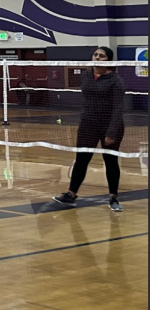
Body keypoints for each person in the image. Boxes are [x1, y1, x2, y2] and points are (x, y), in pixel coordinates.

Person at [54, 46, 126, 212]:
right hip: (88, 124)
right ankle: (71, 195)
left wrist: (111, 132)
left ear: (109, 60)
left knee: (111, 162)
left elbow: (118, 108)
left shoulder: (116, 80)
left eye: (102, 56)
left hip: (109, 125)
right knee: (81, 160)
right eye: (96, 55)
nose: (98, 58)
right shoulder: (86, 75)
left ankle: (113, 198)